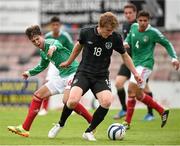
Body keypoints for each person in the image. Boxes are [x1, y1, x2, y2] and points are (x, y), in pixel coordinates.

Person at [47, 12, 142, 141]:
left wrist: (135, 73)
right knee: (72, 101)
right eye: (108, 30)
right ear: (100, 26)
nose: (110, 33)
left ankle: (89, 131)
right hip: (84, 73)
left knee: (107, 101)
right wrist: (69, 62)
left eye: (112, 30)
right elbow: (77, 47)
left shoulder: (115, 37)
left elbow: (125, 56)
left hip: (101, 76)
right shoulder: (86, 32)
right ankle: (60, 124)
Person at [7, 25, 92, 137]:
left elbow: (56, 43)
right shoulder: (42, 52)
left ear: (41, 36)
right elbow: (42, 66)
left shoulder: (50, 42)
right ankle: (25, 128)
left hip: (73, 72)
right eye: (33, 41)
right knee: (38, 95)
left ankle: (92, 121)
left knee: (67, 101)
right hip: (61, 76)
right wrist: (29, 73)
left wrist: (52, 48)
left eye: (37, 39)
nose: (36, 42)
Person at [122, 10, 180, 130]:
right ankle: (162, 110)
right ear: (137, 20)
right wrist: (126, 43)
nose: (142, 23)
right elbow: (127, 38)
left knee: (130, 89)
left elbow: (167, 43)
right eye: (140, 20)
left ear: (148, 21)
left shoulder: (153, 32)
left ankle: (127, 122)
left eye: (145, 21)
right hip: (135, 64)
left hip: (145, 65)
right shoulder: (133, 27)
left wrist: (174, 58)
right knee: (138, 95)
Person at [114, 3, 155, 121]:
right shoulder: (126, 25)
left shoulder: (143, 26)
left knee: (144, 89)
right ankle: (124, 109)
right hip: (128, 61)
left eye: (130, 13)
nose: (128, 15)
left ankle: (150, 113)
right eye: (126, 13)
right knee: (118, 83)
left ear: (135, 13)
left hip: (141, 63)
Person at [38, 16, 74, 116]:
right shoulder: (48, 36)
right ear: (50, 26)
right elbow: (43, 50)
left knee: (69, 84)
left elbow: (72, 49)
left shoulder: (65, 36)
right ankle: (44, 109)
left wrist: (69, 61)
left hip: (65, 63)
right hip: (54, 64)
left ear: (60, 26)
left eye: (57, 25)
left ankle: (69, 106)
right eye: (53, 25)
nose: (55, 27)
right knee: (48, 82)